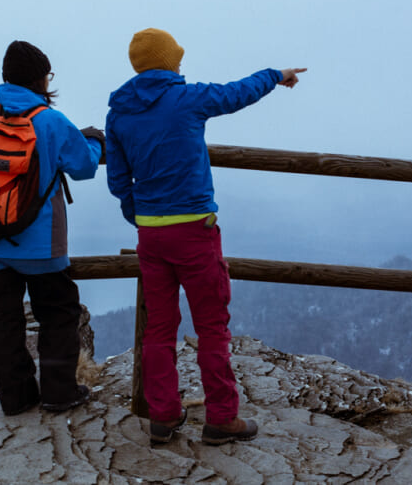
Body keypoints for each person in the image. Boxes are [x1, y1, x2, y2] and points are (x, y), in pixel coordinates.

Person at [104, 27, 305, 445]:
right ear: (166, 61)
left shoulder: (120, 112)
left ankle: (162, 416)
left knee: (159, 328)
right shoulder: (187, 98)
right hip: (195, 232)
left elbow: (120, 181)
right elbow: (236, 93)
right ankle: (221, 419)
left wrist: (141, 218)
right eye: (176, 57)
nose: (181, 63)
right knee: (212, 327)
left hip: (152, 237)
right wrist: (275, 74)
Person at [0, 40, 105, 416]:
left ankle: (15, 398)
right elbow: (83, 167)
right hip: (41, 243)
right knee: (58, 313)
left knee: (6, 316)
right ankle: (58, 392)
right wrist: (94, 141)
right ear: (40, 79)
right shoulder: (51, 121)